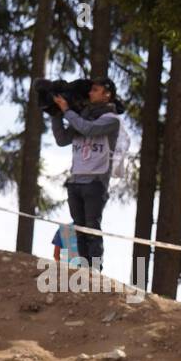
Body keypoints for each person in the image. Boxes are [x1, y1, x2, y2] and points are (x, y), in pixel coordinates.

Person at [50, 78, 123, 271]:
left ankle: (95, 271)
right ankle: (83, 269)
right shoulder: (81, 117)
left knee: (92, 227)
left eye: (95, 90)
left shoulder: (111, 120)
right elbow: (62, 139)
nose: (90, 93)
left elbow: (88, 129)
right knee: (79, 229)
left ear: (107, 94)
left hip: (95, 181)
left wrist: (67, 110)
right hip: (75, 181)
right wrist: (55, 113)